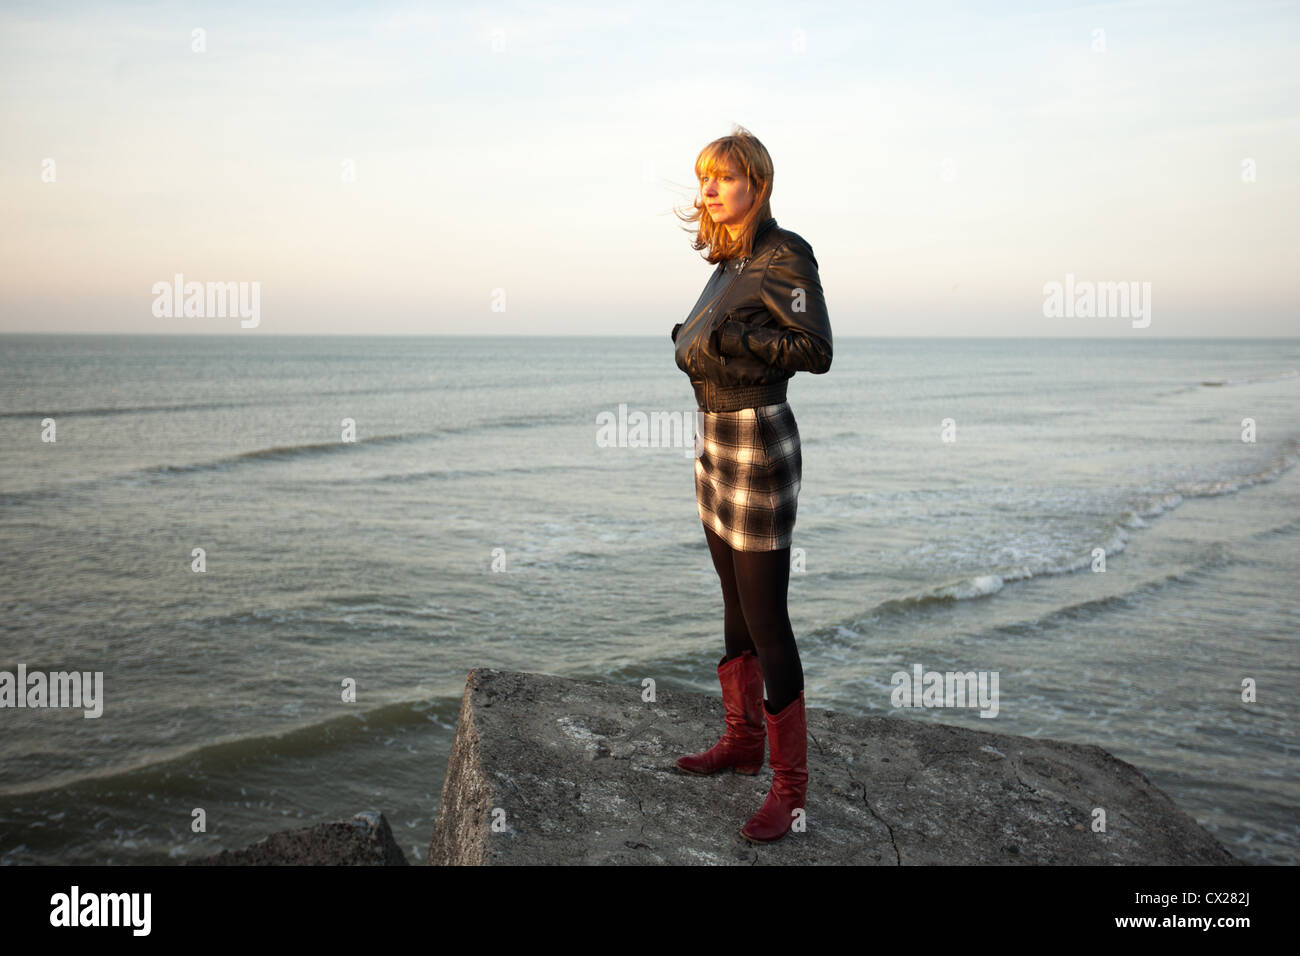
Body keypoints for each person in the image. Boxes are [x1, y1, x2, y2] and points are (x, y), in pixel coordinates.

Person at [669, 126, 833, 844]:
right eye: (705, 176)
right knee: (734, 605)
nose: (710, 187)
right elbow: (712, 336)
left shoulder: (782, 252)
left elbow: (815, 348)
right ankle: (741, 743)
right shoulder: (726, 262)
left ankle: (790, 793)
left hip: (759, 441)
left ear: (756, 185)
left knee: (768, 620)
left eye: (726, 176)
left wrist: (734, 341)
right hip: (714, 442)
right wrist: (691, 338)